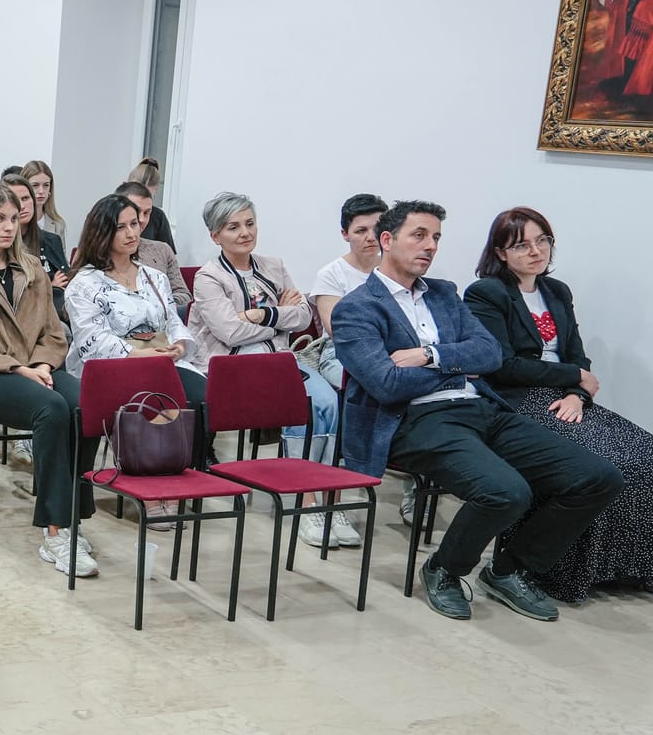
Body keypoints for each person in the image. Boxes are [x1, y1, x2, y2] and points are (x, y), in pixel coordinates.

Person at [333, 200, 622, 620]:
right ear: (387, 240)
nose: (430, 246)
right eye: (419, 235)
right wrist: (457, 367)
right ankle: (444, 570)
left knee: (597, 477)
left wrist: (430, 356)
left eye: (436, 237)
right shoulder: (356, 308)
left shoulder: (444, 293)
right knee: (507, 492)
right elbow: (386, 384)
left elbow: (489, 355)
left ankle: (509, 569)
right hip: (414, 420)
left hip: (481, 407)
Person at [465, 207, 653, 602]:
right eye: (522, 245)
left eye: (543, 241)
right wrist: (573, 377)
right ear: (500, 252)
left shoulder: (557, 291)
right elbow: (502, 366)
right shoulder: (487, 294)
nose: (536, 251)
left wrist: (577, 393)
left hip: (564, 398)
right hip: (516, 401)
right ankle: (550, 569)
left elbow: (577, 355)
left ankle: (621, 567)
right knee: (602, 463)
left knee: (644, 452)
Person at [0, 185, 100, 576]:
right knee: (51, 408)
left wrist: (42, 364)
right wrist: (18, 369)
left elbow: (53, 332)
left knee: (87, 405)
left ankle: (72, 515)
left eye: (13, 218)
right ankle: (55, 531)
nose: (9, 227)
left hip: (36, 367)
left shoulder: (32, 269)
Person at [190, 192, 358, 548]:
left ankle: (327, 496)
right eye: (233, 227)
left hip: (281, 360)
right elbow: (229, 332)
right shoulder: (209, 277)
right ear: (215, 235)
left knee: (327, 403)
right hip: (235, 367)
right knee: (298, 407)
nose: (244, 233)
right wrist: (279, 317)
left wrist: (259, 314)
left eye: (249, 223)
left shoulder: (273, 266)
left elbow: (302, 316)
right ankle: (306, 502)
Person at [64, 194, 202, 529]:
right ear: (102, 232)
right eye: (121, 227)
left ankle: (178, 483)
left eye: (135, 224)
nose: (131, 233)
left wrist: (179, 345)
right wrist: (138, 355)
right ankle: (151, 492)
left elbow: (172, 321)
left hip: (160, 359)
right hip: (111, 366)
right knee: (151, 397)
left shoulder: (153, 276)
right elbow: (92, 339)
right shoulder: (85, 283)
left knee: (201, 397)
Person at [312, 193, 387, 335]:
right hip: (348, 345)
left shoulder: (398, 270)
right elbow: (338, 330)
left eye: (378, 229)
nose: (371, 237)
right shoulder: (330, 275)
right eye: (361, 231)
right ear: (345, 234)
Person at [117, 180, 192, 314]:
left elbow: (184, 295)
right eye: (136, 211)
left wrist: (158, 305)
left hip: (163, 321)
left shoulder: (162, 250)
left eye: (147, 213)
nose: (142, 219)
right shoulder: (97, 252)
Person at [123, 158, 177, 249]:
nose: (141, 219)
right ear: (124, 187)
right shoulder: (107, 213)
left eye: (148, 197)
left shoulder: (158, 217)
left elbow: (168, 254)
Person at [21, 158, 67, 239]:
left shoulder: (58, 225)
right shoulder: (16, 221)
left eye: (46, 185)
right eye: (35, 185)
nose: (41, 191)